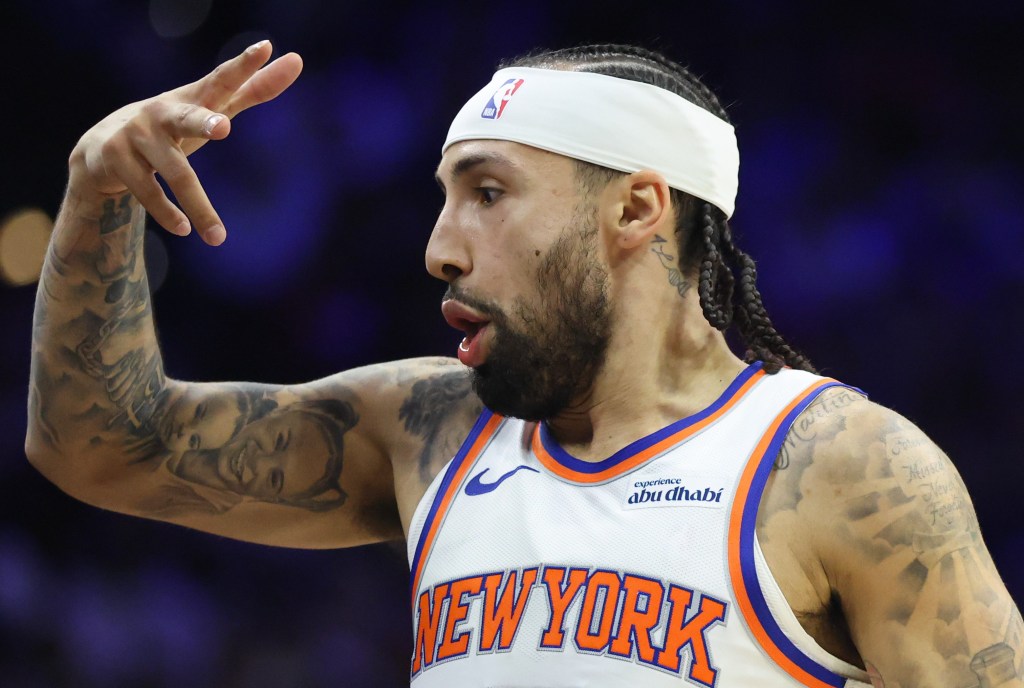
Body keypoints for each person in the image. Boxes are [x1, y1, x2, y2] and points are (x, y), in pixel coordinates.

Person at [25, 40, 1021, 688]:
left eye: (488, 194)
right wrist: (96, 195)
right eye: (446, 197)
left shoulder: (847, 470)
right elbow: (104, 447)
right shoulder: (425, 427)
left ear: (635, 211)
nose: (440, 246)